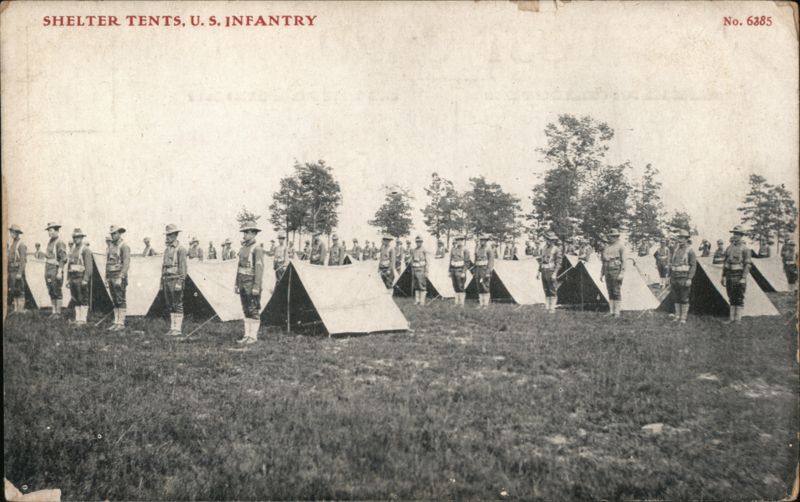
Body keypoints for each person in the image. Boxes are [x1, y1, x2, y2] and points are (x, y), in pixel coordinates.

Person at [235, 219, 264, 345]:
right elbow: (239, 267)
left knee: (253, 309)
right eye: (244, 232)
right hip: (242, 282)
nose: (244, 235)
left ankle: (253, 336)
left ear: (253, 233)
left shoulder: (256, 249)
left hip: (251, 282)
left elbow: (259, 268)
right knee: (245, 309)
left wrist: (256, 286)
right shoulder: (243, 248)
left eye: (247, 232)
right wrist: (236, 283)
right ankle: (247, 335)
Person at [160, 224, 188, 336]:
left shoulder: (181, 249)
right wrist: (161, 282)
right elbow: (163, 266)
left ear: (176, 235)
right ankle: (172, 328)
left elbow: (183, 267)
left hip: (175, 278)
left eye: (170, 235)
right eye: (167, 235)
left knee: (177, 303)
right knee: (170, 304)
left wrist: (180, 281)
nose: (168, 237)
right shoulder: (166, 249)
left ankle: (177, 329)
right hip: (166, 278)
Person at [722, 225, 751, 323]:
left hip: (739, 275)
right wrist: (723, 276)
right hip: (729, 274)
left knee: (739, 296)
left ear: (741, 235)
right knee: (731, 296)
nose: (735, 236)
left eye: (737, 234)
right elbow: (725, 263)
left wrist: (743, 277)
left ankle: (738, 319)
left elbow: (747, 265)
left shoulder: (745, 249)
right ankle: (731, 318)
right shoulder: (729, 248)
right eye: (734, 234)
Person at [106, 225, 131, 331]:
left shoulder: (124, 246)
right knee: (114, 299)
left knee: (120, 298)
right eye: (111, 234)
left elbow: (126, 262)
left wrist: (121, 276)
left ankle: (121, 323)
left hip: (119, 275)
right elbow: (108, 262)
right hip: (111, 275)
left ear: (120, 233)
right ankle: (116, 321)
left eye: (115, 233)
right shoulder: (110, 246)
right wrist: (106, 277)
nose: (113, 235)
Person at [66, 228, 94, 325]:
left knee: (83, 298)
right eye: (74, 237)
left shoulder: (85, 250)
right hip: (73, 277)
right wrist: (67, 279)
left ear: (82, 238)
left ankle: (83, 319)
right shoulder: (73, 249)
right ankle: (77, 319)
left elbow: (89, 266)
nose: (76, 239)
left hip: (81, 277)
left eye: (78, 237)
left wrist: (86, 279)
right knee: (75, 298)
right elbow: (69, 265)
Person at [669, 229, 697, 324]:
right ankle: (677, 316)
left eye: (682, 238)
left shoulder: (690, 251)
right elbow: (672, 263)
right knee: (676, 297)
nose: (680, 240)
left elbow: (693, 265)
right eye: (679, 237)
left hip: (684, 277)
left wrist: (689, 278)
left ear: (686, 239)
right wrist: (670, 276)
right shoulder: (675, 250)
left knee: (684, 298)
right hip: (675, 277)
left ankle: (683, 318)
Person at [600, 229, 626, 318]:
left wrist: (621, 273)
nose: (609, 238)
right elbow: (603, 261)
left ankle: (617, 312)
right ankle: (611, 311)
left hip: (616, 270)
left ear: (616, 237)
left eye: (611, 236)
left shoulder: (621, 247)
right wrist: (602, 273)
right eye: (609, 236)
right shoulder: (606, 247)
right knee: (610, 291)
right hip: (607, 270)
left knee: (616, 291)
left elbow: (624, 261)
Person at [44, 222, 68, 318]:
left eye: (51, 230)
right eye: (48, 231)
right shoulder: (50, 242)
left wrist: (59, 272)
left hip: (55, 269)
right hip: (48, 268)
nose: (49, 233)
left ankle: (58, 312)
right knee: (50, 290)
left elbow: (63, 258)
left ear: (57, 231)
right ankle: (53, 311)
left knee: (56, 289)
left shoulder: (60, 242)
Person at [537, 231, 562, 314]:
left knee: (552, 289)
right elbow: (541, 261)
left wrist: (555, 273)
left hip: (551, 270)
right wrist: (538, 272)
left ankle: (552, 308)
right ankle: (547, 307)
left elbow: (558, 263)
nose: (550, 241)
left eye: (551, 240)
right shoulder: (544, 248)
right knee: (546, 289)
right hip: (544, 270)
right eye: (548, 239)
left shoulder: (556, 249)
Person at [7, 225, 28, 314]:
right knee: (13, 289)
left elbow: (23, 260)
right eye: (11, 232)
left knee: (20, 289)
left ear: (17, 233)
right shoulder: (12, 244)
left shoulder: (21, 244)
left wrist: (20, 272)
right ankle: (16, 309)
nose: (12, 234)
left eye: (13, 232)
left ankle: (21, 310)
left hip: (17, 270)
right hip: (11, 270)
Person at [449, 234, 471, 306]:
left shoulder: (465, 250)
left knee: (460, 286)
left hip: (460, 269)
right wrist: (449, 270)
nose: (459, 241)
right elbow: (451, 260)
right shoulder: (453, 249)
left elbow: (467, 262)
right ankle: (456, 302)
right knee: (455, 286)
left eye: (460, 240)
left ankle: (461, 303)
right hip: (453, 269)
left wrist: (464, 272)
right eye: (457, 240)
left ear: (462, 241)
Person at [474, 235, 495, 307]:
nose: (482, 242)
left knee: (485, 286)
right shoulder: (478, 249)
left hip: (485, 269)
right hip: (478, 269)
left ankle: (485, 304)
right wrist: (475, 269)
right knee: (479, 286)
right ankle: (481, 303)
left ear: (486, 241)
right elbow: (476, 259)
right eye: (481, 240)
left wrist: (488, 272)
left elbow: (491, 261)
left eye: (484, 240)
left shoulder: (489, 249)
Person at [410, 236, 429, 306]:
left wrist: (426, 271)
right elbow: (412, 260)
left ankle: (422, 301)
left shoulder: (424, 250)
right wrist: (412, 267)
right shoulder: (414, 250)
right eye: (417, 242)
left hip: (421, 269)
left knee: (422, 285)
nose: (418, 243)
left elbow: (427, 262)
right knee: (416, 285)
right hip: (415, 269)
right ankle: (417, 300)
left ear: (422, 242)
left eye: (420, 241)